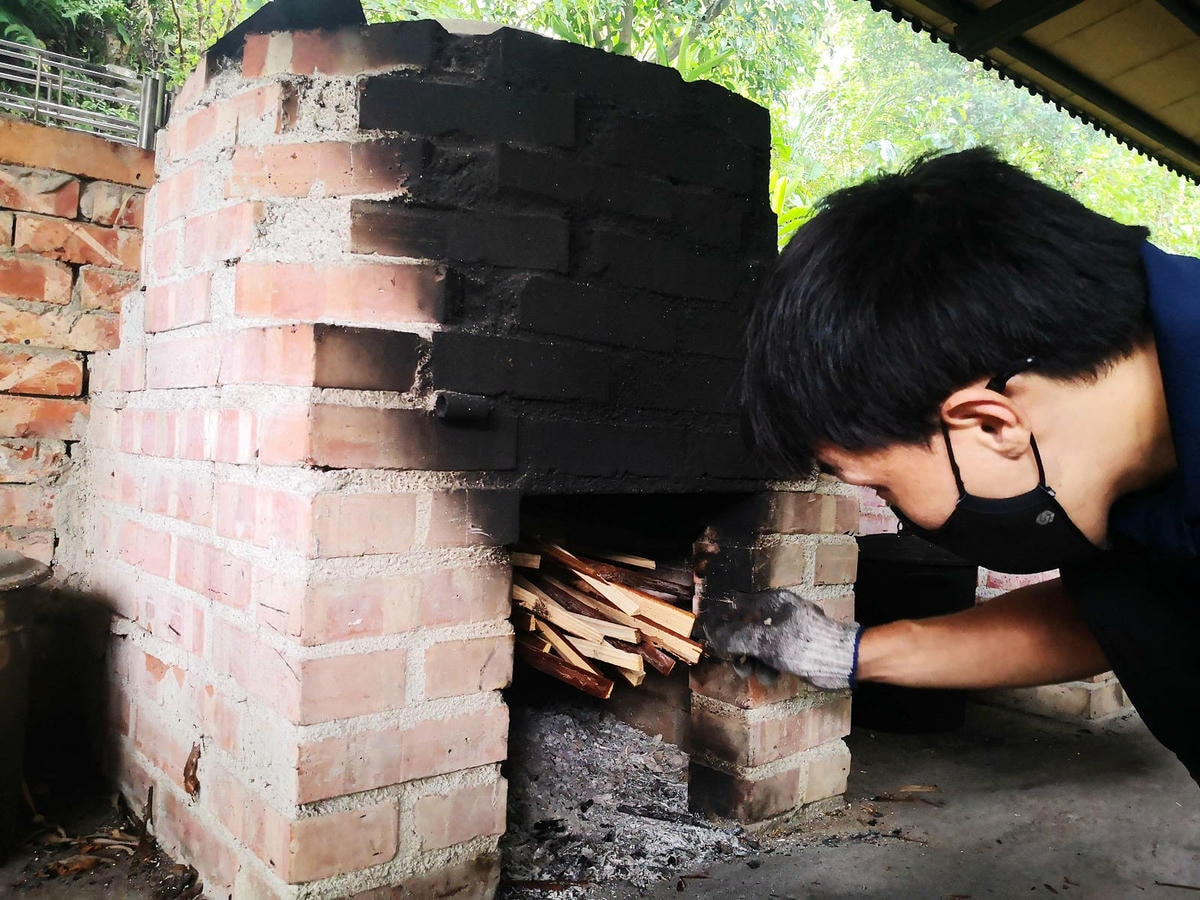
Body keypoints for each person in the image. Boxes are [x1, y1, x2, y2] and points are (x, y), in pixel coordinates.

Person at [701, 147, 1200, 782]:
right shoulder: (1128, 453)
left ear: (990, 424)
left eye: (882, 484)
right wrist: (848, 651)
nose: (897, 510)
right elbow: (1125, 618)